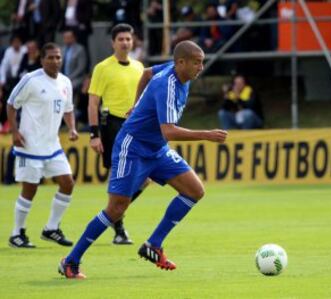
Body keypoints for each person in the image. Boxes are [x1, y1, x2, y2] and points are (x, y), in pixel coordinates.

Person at [58, 40, 228, 279]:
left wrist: (136, 103)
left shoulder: (177, 71)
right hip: (133, 146)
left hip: (157, 148)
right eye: (197, 63)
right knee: (116, 209)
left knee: (194, 191)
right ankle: (71, 260)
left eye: (202, 62)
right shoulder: (166, 85)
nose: (201, 67)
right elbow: (169, 130)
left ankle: (153, 245)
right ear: (181, 63)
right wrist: (206, 135)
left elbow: (146, 72)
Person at [6, 43, 78, 248]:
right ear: (42, 60)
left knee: (68, 183)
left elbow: (68, 109)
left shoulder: (65, 82)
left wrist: (72, 128)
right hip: (29, 145)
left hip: (52, 145)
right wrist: (15, 131)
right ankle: (16, 233)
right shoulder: (30, 80)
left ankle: (51, 228)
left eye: (58, 58)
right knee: (30, 189)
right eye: (50, 58)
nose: (55, 61)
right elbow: (11, 104)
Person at [88, 23, 146, 245]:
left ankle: (113, 214)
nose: (125, 42)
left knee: (147, 178)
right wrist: (94, 134)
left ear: (133, 42)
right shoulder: (103, 68)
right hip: (113, 124)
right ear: (113, 42)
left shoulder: (139, 67)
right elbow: (93, 102)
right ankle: (119, 228)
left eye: (128, 39)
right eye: (120, 39)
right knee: (118, 176)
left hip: (137, 124)